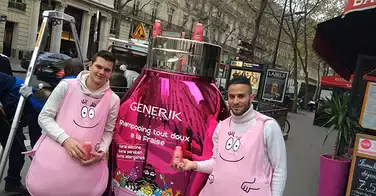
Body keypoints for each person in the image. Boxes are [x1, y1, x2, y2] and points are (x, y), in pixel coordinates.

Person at [25, 50, 120, 196]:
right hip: (53, 164)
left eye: (107, 70)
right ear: (90, 65)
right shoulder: (66, 86)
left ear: (111, 73)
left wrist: (101, 152)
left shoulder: (113, 100)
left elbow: (108, 131)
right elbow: (44, 117)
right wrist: (66, 140)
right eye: (98, 67)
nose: (101, 72)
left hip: (86, 168)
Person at [172, 76, 287, 196]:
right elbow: (216, 163)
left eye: (241, 96)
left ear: (251, 98)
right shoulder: (221, 127)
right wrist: (193, 165)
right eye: (232, 96)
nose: (236, 101)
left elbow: (280, 170)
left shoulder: (268, 127)